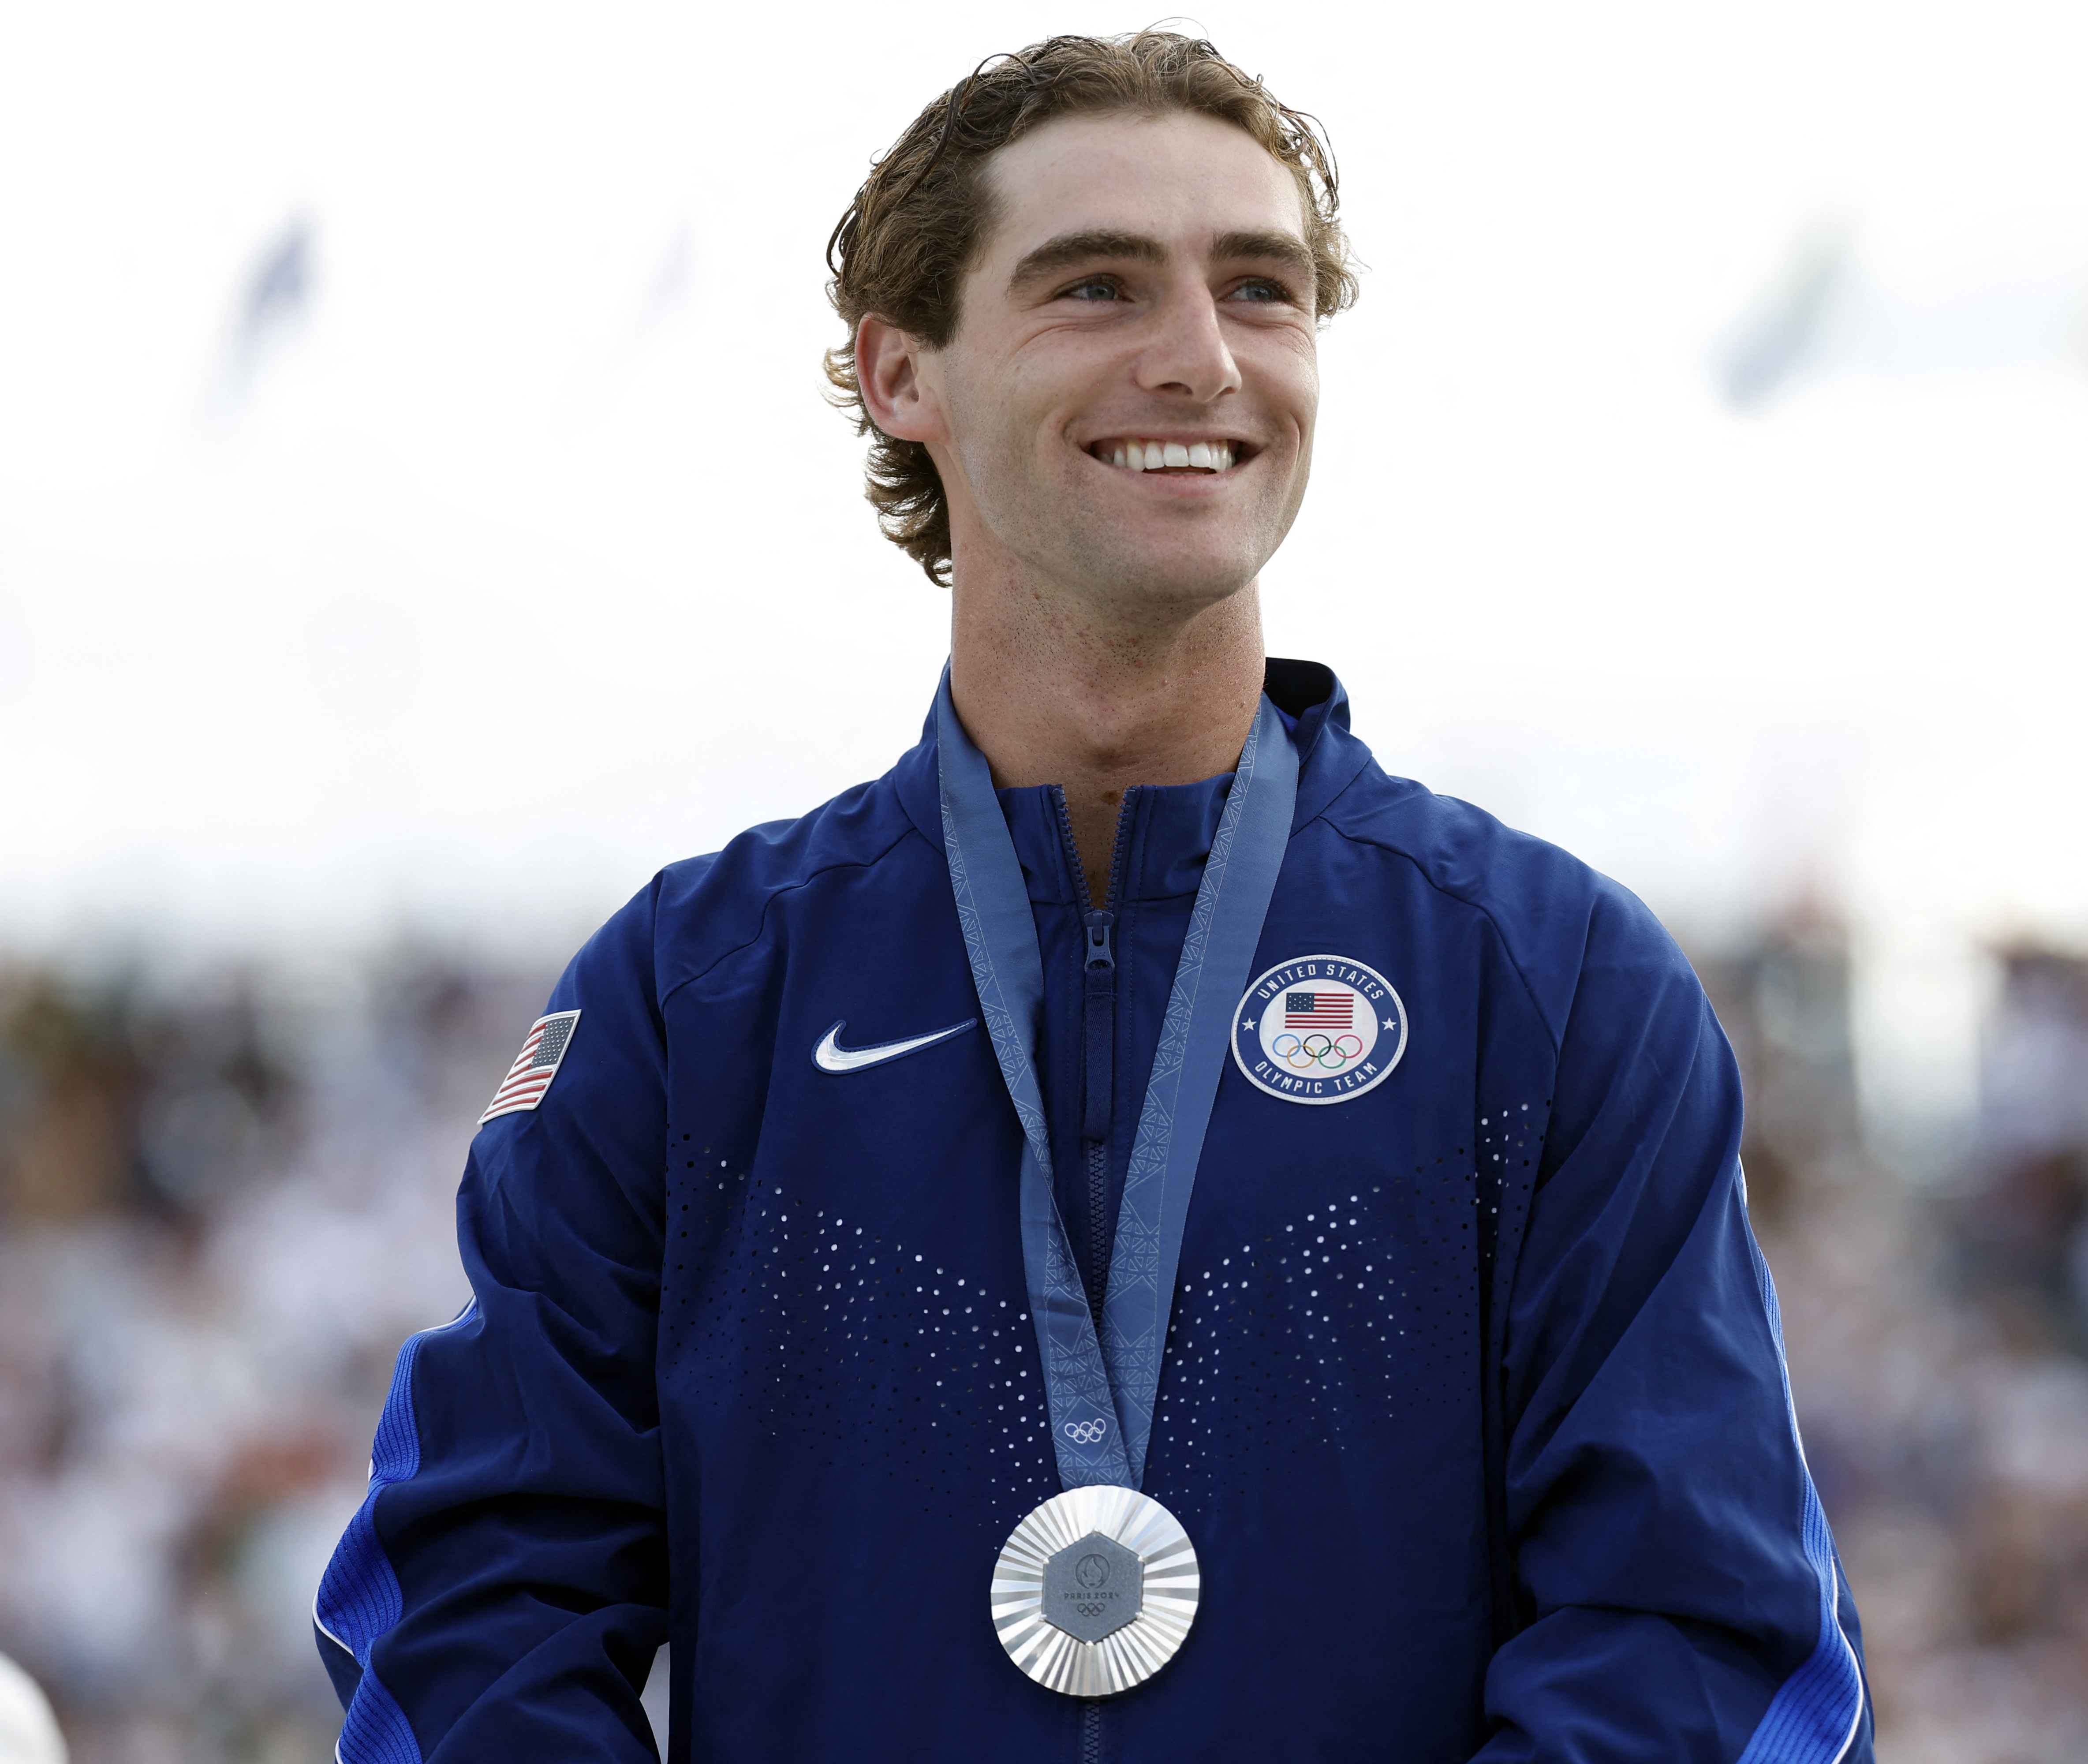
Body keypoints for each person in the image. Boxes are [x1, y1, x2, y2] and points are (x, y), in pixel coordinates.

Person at [313, 31, 1870, 1764]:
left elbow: (1704, 1633)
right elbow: (469, 1605)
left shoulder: (1551, 982)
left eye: (1261, 292)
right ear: (903, 371)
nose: (1199, 357)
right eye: (1099, 287)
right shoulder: (696, 999)